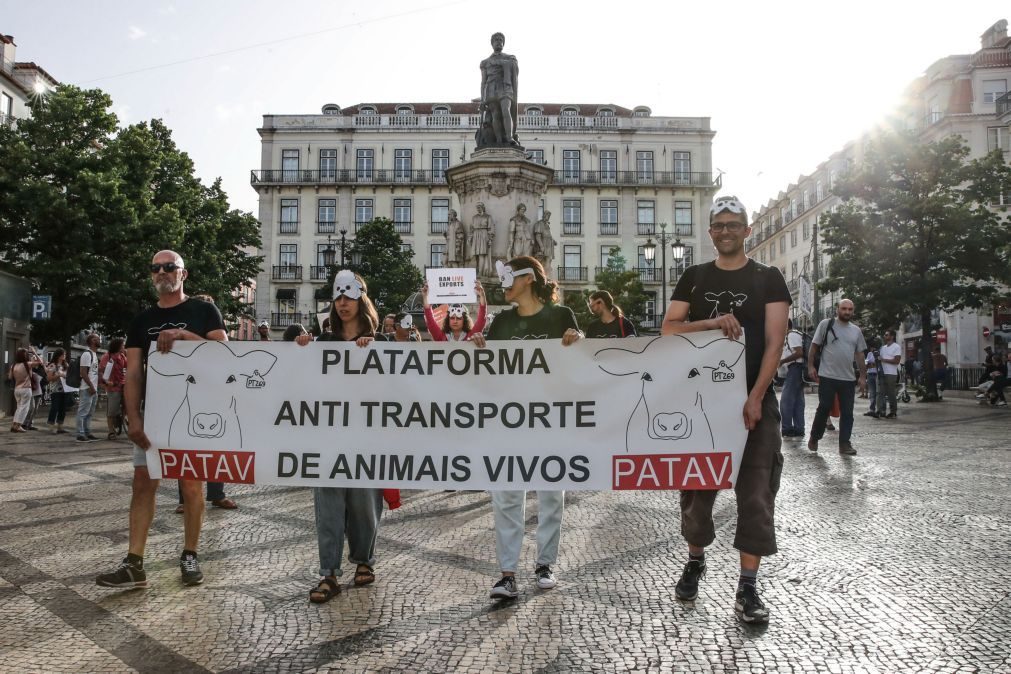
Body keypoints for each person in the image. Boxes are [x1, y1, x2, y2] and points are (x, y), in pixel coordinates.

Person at [661, 194, 790, 625]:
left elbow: (775, 342)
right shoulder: (694, 277)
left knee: (756, 493)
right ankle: (695, 558)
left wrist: (755, 396)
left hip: (755, 402)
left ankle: (748, 587)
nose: (727, 231)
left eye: (735, 224)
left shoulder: (768, 278)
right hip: (702, 405)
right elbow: (669, 329)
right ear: (710, 232)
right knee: (697, 493)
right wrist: (713, 322)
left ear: (748, 230)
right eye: (719, 225)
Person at [95, 250, 228, 590]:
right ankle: (134, 561)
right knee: (143, 483)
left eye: (170, 267)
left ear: (183, 274)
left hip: (195, 415)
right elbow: (135, 373)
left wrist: (185, 337)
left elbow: (225, 356)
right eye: (156, 267)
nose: (162, 272)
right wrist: (134, 419)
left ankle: (190, 554)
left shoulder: (203, 311)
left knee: (192, 484)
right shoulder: (142, 320)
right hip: (156, 414)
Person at [469, 256, 583, 600]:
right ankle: (507, 573)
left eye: (508, 278)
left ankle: (545, 563)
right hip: (510, 421)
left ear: (528, 279)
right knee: (506, 495)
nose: (503, 284)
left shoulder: (561, 316)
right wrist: (479, 350)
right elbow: (490, 372)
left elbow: (580, 363)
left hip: (551, 421)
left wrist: (577, 340)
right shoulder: (502, 322)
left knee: (551, 495)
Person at [295, 270, 391, 603]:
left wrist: (374, 351)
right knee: (329, 503)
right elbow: (303, 384)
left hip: (367, 436)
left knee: (364, 503)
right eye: (338, 298)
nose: (343, 303)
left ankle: (364, 560)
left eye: (348, 297)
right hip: (329, 436)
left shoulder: (383, 343)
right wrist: (302, 352)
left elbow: (399, 387)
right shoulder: (323, 343)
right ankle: (329, 572)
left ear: (361, 301)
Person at [174, 295, 237, 513]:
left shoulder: (211, 336)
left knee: (216, 449)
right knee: (187, 451)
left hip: (215, 398)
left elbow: (223, 352)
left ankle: (216, 494)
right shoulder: (182, 337)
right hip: (190, 397)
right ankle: (184, 498)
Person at [807, 300, 868, 455]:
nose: (847, 312)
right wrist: (810, 366)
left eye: (850, 309)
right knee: (824, 408)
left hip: (847, 379)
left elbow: (860, 355)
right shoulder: (826, 324)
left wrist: (862, 376)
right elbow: (813, 347)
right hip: (827, 375)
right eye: (844, 309)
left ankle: (844, 444)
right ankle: (815, 436)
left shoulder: (856, 331)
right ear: (837, 309)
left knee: (847, 412)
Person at [478, 32, 519, 147]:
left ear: (503, 43)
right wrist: (482, 99)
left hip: (505, 86)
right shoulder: (485, 62)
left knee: (506, 109)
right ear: (492, 44)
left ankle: (509, 137)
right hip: (491, 88)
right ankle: (499, 140)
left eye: (501, 40)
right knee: (495, 114)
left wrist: (506, 64)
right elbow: (483, 81)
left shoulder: (510, 58)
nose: (499, 42)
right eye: (496, 40)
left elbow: (514, 69)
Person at [422, 280, 487, 341]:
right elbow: (430, 321)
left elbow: (481, 320)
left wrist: (482, 296)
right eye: (452, 318)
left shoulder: (471, 336)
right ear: (448, 319)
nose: (455, 321)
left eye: (459, 318)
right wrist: (425, 297)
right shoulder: (440, 337)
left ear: (464, 320)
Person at [778, 319, 805, 437]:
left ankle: (787, 428)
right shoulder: (795, 334)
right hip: (797, 369)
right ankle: (799, 428)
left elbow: (799, 353)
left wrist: (782, 361)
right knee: (798, 400)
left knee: (786, 400)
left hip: (795, 368)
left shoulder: (791, 335)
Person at [98, 338, 128, 440]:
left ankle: (120, 418)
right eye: (122, 345)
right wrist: (106, 382)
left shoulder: (123, 356)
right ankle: (111, 431)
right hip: (113, 387)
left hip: (123, 385)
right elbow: (101, 371)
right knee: (111, 411)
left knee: (127, 406)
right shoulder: (107, 356)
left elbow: (128, 367)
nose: (124, 347)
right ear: (118, 346)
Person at [76, 333, 102, 443]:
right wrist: (91, 386)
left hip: (93, 388)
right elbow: (83, 372)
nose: (99, 340)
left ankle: (87, 432)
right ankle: (80, 434)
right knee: (82, 412)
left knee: (89, 413)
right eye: (97, 338)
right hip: (87, 388)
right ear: (92, 341)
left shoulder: (94, 354)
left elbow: (93, 372)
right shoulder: (87, 354)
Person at [9, 348, 41, 433]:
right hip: (26, 389)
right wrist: (34, 352)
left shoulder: (13, 365)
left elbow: (9, 377)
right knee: (24, 408)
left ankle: (14, 425)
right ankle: (18, 426)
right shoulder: (28, 364)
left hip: (17, 389)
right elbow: (40, 362)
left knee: (19, 407)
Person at [877, 330, 902, 419]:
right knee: (880, 393)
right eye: (884, 334)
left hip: (891, 373)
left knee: (891, 393)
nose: (885, 336)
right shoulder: (883, 348)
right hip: (882, 373)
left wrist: (884, 360)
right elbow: (880, 359)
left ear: (892, 336)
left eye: (886, 335)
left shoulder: (896, 347)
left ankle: (893, 411)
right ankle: (880, 411)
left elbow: (897, 361)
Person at [45, 348, 70, 434]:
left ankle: (60, 426)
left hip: (65, 389)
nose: (64, 356)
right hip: (55, 390)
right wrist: (58, 376)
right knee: (55, 408)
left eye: (65, 355)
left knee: (63, 409)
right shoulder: (52, 365)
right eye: (63, 354)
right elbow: (48, 378)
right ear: (58, 355)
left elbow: (69, 375)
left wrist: (66, 376)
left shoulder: (65, 365)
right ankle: (51, 426)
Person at [468, 202, 495, 278]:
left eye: (479, 207)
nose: (478, 209)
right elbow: (471, 228)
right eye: (477, 207)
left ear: (483, 207)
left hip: (484, 235)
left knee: (481, 255)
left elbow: (491, 228)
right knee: (474, 255)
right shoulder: (474, 217)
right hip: (476, 235)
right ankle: (474, 271)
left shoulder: (488, 217)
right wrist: (470, 237)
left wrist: (490, 239)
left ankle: (481, 272)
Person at [863, 340, 882, 418]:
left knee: (878, 393)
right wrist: (870, 365)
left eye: (872, 347)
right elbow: (866, 364)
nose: (871, 349)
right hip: (870, 374)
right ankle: (872, 410)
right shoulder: (869, 354)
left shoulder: (879, 353)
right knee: (872, 393)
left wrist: (872, 364)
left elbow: (878, 364)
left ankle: (880, 410)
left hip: (877, 374)